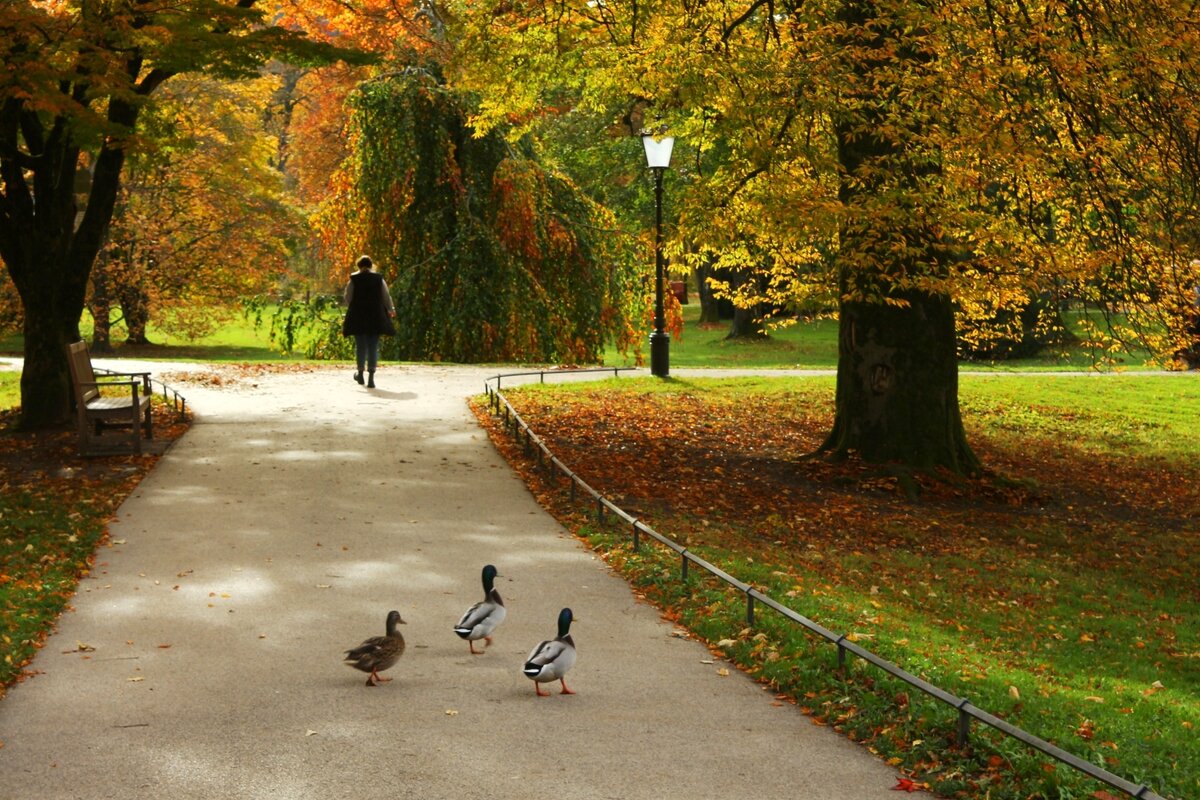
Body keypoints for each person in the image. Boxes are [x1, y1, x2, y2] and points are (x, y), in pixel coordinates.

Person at [342, 255, 396, 388]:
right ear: (371, 265)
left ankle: (360, 373)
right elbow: (386, 296)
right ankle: (371, 376)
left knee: (360, 345)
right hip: (375, 315)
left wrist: (355, 305)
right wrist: (391, 309)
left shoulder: (354, 279)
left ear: (358, 266)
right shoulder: (378, 279)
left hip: (358, 315)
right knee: (372, 346)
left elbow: (347, 296)